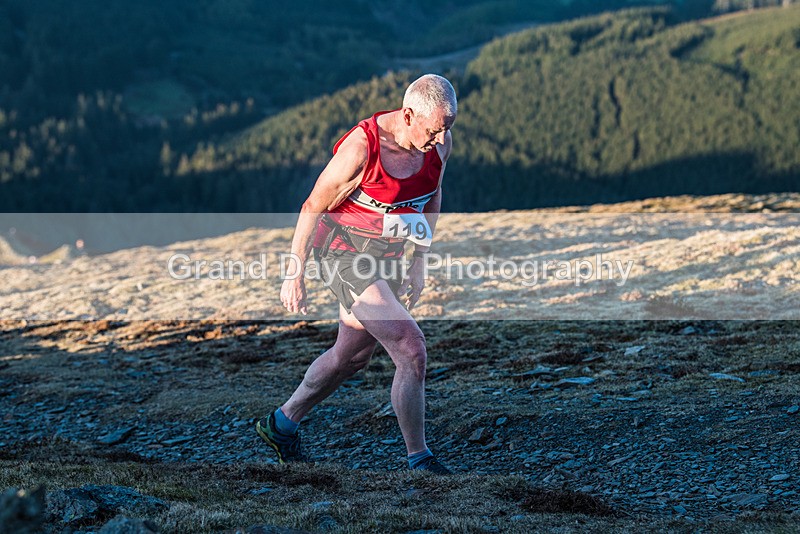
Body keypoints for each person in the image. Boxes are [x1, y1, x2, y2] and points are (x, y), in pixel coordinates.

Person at [256, 74, 456, 474]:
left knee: (350, 357)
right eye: (434, 131)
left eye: (446, 130)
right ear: (409, 114)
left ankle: (281, 423)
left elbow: (432, 195)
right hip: (343, 253)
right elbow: (312, 205)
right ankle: (420, 460)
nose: (440, 140)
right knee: (410, 347)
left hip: (388, 256)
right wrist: (293, 273)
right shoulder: (362, 148)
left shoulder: (439, 142)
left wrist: (419, 260)